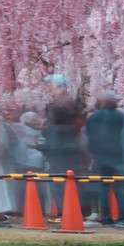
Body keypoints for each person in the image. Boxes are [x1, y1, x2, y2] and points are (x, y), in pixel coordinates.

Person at [85, 93, 124, 227]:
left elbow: (89, 136)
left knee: (103, 188)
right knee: (121, 188)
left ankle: (106, 217)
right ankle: (123, 218)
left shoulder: (93, 117)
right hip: (118, 156)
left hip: (100, 157)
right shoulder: (121, 116)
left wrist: (93, 153)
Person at [41, 81, 85, 224]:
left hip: (57, 154)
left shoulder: (52, 126)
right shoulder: (75, 124)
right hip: (74, 152)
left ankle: (63, 211)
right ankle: (77, 211)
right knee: (74, 182)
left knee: (57, 182)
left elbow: (48, 136)